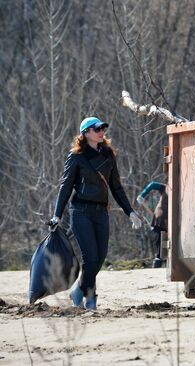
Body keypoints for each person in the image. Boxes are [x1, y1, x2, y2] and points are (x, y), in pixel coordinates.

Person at [48, 117, 142, 310]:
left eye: (103, 128)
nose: (102, 131)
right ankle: (90, 299)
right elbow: (65, 188)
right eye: (97, 129)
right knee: (90, 259)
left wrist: (130, 212)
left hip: (101, 213)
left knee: (100, 258)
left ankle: (78, 291)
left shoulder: (108, 155)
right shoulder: (76, 157)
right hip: (81, 212)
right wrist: (57, 215)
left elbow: (116, 187)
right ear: (85, 133)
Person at [136, 181, 167, 268]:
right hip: (161, 217)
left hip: (173, 218)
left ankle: (162, 260)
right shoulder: (166, 187)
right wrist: (142, 195)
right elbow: (152, 184)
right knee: (159, 240)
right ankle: (158, 260)